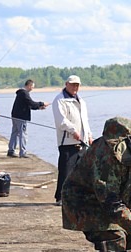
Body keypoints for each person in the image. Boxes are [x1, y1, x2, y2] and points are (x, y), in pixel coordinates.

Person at [61, 117, 131, 252]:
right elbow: (109, 200)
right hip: (83, 201)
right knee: (115, 239)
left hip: (108, 203)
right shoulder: (109, 155)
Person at [52, 75, 92, 205]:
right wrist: (73, 131)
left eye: (77, 85)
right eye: (73, 84)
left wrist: (89, 135)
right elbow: (61, 121)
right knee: (65, 171)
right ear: (66, 84)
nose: (75, 87)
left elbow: (85, 121)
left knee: (82, 173)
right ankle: (60, 197)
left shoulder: (82, 101)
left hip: (82, 142)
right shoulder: (59, 100)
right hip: (67, 142)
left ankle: (76, 196)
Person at [7, 79, 48, 158]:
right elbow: (31, 103)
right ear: (29, 86)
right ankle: (23, 152)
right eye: (32, 87)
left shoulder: (21, 93)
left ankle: (11, 150)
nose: (32, 89)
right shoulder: (24, 93)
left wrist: (39, 108)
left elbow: (29, 105)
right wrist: (42, 103)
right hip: (21, 117)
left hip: (15, 116)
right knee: (23, 134)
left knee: (15, 133)